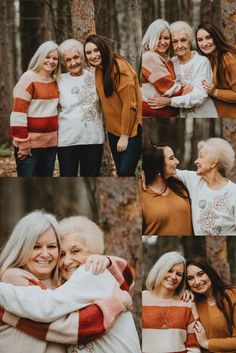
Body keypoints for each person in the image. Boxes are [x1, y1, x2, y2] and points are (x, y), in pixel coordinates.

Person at [0, 214, 141, 353]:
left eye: (76, 251)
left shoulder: (92, 271)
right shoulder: (16, 279)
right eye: (62, 254)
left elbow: (49, 307)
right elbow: (54, 315)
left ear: (94, 252)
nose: (67, 261)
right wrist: (117, 303)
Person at [83, 34, 142, 177]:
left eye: (96, 50)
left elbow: (130, 105)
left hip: (131, 129)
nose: (93, 56)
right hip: (113, 130)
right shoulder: (98, 70)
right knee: (123, 175)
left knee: (125, 172)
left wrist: (124, 136)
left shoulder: (120, 69)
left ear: (103, 49)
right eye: (89, 53)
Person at [10, 41, 60, 176]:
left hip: (50, 146)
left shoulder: (56, 81)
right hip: (29, 147)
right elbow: (18, 114)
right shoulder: (28, 78)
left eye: (55, 58)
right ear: (40, 57)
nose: (51, 61)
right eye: (47, 57)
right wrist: (22, 143)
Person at [149, 21, 218, 118]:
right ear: (171, 44)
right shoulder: (172, 62)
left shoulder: (202, 62)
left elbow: (199, 96)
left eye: (183, 40)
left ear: (189, 41)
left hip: (204, 115)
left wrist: (170, 101)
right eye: (175, 41)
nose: (179, 45)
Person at [57, 39, 104, 176]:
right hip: (67, 141)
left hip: (93, 139)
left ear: (82, 57)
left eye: (76, 57)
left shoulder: (96, 75)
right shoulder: (59, 80)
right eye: (68, 60)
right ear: (63, 63)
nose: (73, 63)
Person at [142, 251, 200, 353]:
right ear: (159, 270)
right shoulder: (142, 298)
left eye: (179, 274)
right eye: (170, 271)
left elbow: (194, 347)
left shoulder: (187, 303)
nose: (173, 277)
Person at [176, 137, 236, 235]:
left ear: (213, 162)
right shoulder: (193, 180)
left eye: (201, 156)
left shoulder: (233, 192)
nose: (196, 161)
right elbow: (168, 170)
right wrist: (144, 172)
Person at [142, 19, 193, 118]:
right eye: (158, 38)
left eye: (166, 38)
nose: (163, 42)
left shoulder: (166, 59)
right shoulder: (150, 57)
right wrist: (189, 89)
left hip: (158, 111)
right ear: (151, 38)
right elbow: (170, 89)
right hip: (151, 111)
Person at [186, 256, 236, 352]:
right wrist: (185, 293)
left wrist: (206, 343)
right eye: (190, 278)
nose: (197, 282)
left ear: (210, 273)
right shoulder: (193, 302)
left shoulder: (232, 295)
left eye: (200, 274)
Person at [142, 144, 193, 235]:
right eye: (171, 158)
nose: (177, 161)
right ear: (157, 164)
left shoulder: (180, 186)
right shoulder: (142, 195)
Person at [196, 22, 236, 118]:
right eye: (200, 40)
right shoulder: (211, 59)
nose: (204, 43)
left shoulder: (228, 60)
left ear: (216, 37)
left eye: (208, 37)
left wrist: (214, 92)